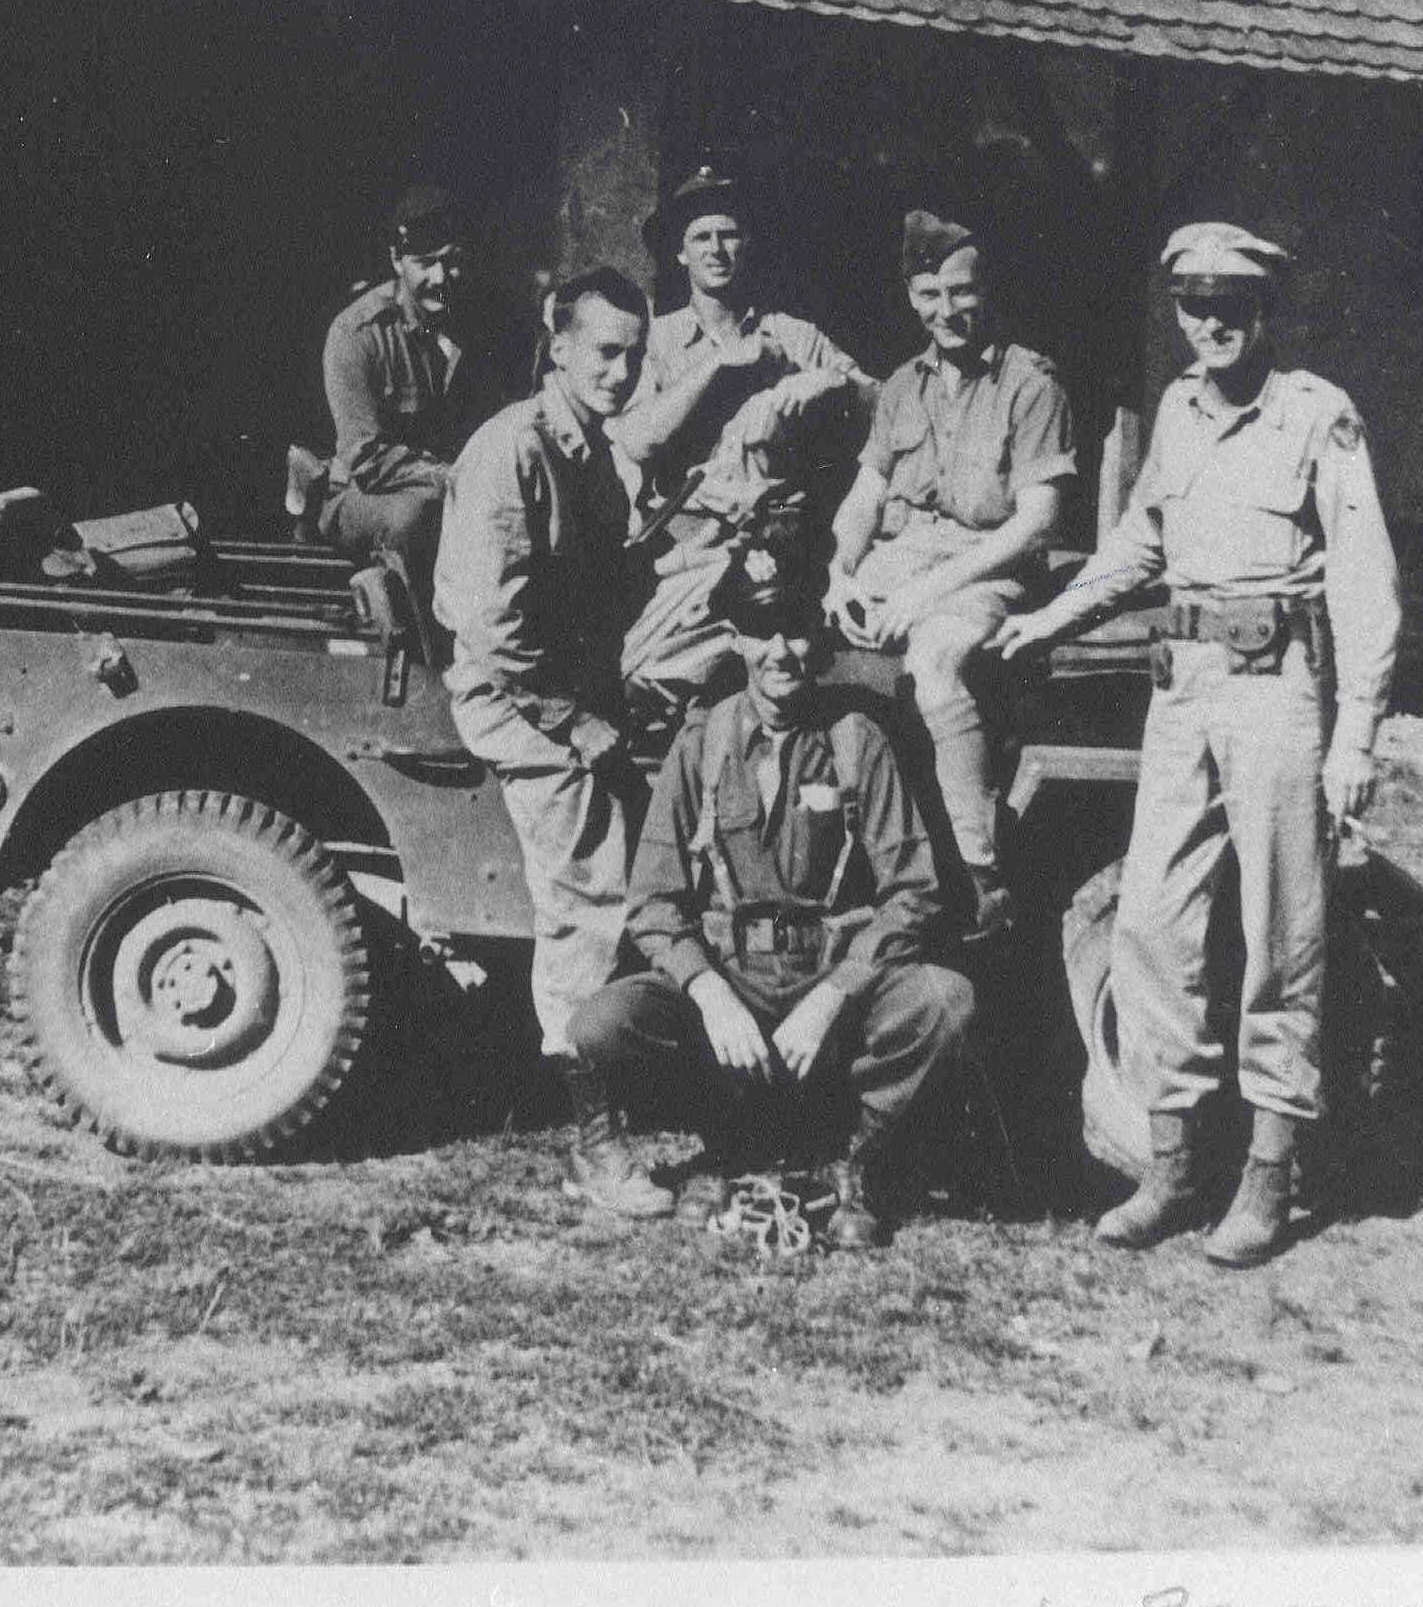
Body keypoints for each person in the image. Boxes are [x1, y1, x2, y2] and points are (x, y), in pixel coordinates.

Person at [996, 222, 1402, 1269]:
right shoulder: (1175, 410)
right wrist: (1052, 619)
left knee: (1282, 934)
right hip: (1179, 688)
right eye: (1193, 305)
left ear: (1265, 313)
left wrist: (1356, 732)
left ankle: (1269, 1175)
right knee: (1149, 922)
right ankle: (1169, 1165)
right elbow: (1141, 540)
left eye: (1230, 306)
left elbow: (1364, 580)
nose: (1211, 324)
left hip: (1277, 690)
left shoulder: (1318, 417)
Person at [563, 550, 977, 1245]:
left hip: (831, 975)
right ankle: (654, 1151)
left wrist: (833, 995)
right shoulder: (701, 743)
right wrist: (708, 991)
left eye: (793, 629)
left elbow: (913, 893)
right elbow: (654, 903)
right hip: (733, 980)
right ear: (735, 640)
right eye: (760, 630)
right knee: (599, 1027)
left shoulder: (856, 741)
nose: (779, 651)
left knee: (944, 1002)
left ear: (816, 637)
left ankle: (860, 1168)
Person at [434, 266, 656, 1113]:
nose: (620, 373)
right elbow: (492, 627)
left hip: (566, 683)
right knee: (588, 884)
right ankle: (589, 1117)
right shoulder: (513, 448)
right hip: (515, 698)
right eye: (602, 353)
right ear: (557, 348)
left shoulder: (589, 449)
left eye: (633, 357)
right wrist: (575, 723)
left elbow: (597, 587)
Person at [819, 210, 1077, 908]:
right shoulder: (903, 385)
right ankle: (831, 858)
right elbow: (864, 496)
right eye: (930, 296)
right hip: (897, 563)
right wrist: (838, 573)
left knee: (934, 661)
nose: (947, 311)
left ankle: (976, 867)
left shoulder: (1030, 385)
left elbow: (1035, 523)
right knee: (799, 658)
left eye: (961, 292)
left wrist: (925, 592)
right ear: (911, 297)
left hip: (983, 567)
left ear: (985, 290)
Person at [611, 165, 872, 712]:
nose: (716, 249)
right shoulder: (657, 341)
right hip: (688, 553)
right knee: (644, 668)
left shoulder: (792, 335)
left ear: (747, 242)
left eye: (728, 234)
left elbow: (882, 405)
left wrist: (828, 383)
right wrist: (715, 364)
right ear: (680, 254)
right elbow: (635, 439)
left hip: (779, 544)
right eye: (700, 237)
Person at [310, 182, 488, 592]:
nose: (441, 277)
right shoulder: (358, 334)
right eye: (425, 263)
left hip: (454, 489)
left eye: (452, 261)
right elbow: (366, 457)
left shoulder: (481, 324)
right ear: (396, 259)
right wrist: (457, 482)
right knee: (417, 519)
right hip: (363, 492)